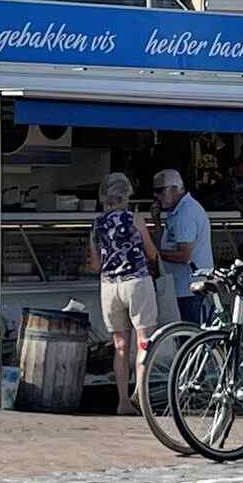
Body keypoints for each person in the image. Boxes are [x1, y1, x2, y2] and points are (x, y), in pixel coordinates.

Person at [91, 172, 158, 415]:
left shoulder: (96, 224)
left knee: (120, 346)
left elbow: (96, 265)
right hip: (137, 283)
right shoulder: (135, 219)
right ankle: (141, 397)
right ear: (126, 195)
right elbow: (151, 253)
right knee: (144, 342)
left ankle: (122, 402)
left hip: (109, 287)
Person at [154, 169, 214, 325]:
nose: (156, 196)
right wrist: (157, 221)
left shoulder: (185, 213)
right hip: (186, 287)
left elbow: (184, 255)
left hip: (188, 289)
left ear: (175, 188)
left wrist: (156, 255)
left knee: (189, 339)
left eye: (160, 190)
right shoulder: (178, 210)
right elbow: (166, 242)